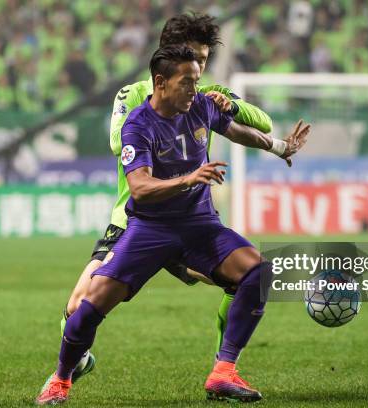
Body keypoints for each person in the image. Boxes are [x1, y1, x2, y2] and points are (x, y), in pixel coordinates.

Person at [36, 45, 310, 405]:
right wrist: (189, 178)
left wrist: (278, 147)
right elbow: (140, 187)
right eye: (187, 82)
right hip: (150, 230)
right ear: (161, 82)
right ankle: (61, 379)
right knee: (86, 309)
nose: (195, 89)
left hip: (200, 227)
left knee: (257, 273)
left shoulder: (200, 105)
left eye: (197, 81)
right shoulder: (138, 124)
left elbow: (237, 131)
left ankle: (223, 372)